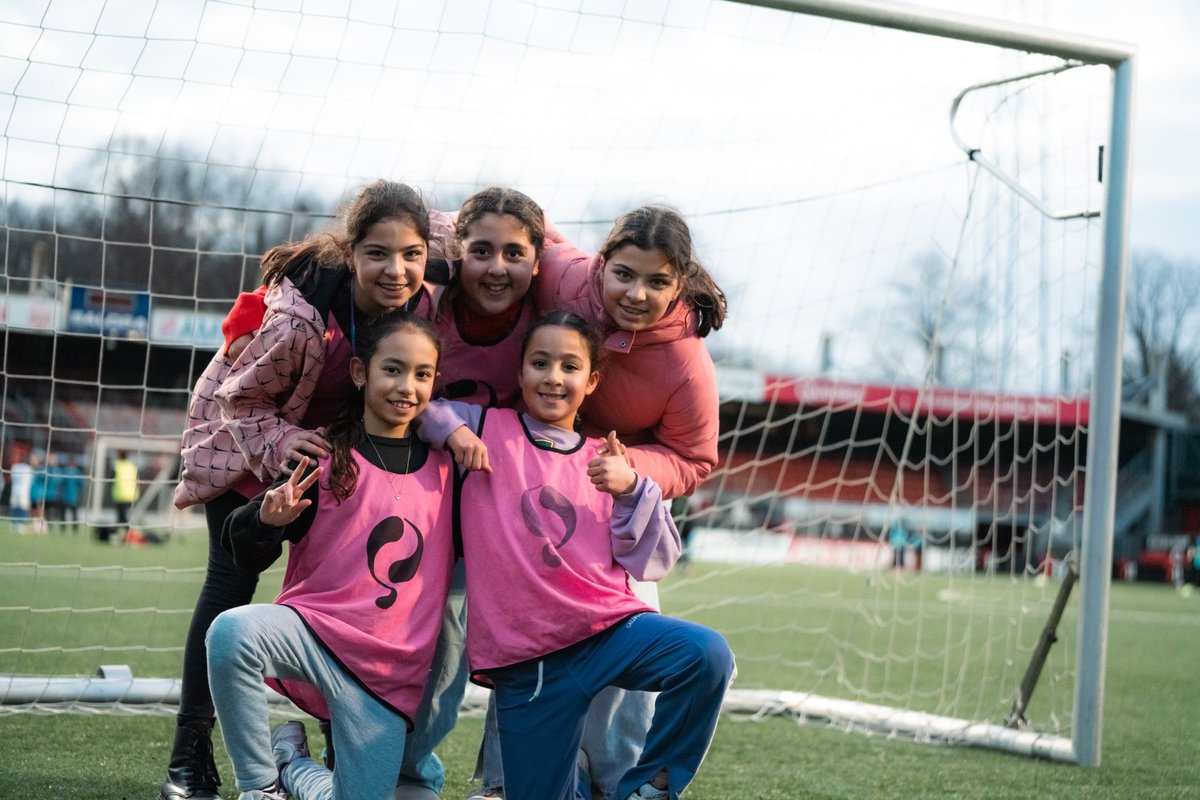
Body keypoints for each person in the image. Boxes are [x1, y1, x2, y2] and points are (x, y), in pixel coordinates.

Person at [160, 179, 438, 800]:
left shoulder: (420, 287)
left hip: (321, 439)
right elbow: (240, 399)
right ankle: (189, 757)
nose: (396, 270)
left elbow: (481, 227)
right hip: (244, 439)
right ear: (351, 251)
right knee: (232, 580)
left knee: (344, 586)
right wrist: (282, 441)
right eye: (377, 255)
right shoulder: (299, 321)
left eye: (411, 255)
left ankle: (339, 729)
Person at [429, 310, 734, 800]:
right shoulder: (486, 428)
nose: (554, 378)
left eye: (570, 367)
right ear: (520, 372)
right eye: (540, 363)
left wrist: (633, 487)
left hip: (609, 634)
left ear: (592, 381)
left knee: (706, 655)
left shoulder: (608, 460)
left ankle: (653, 785)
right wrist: (452, 430)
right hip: (527, 662)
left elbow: (652, 562)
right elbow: (423, 406)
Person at [207, 311, 457, 800]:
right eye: (392, 369)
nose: (406, 385)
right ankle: (259, 787)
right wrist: (265, 521)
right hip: (314, 634)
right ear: (361, 373)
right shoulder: (322, 456)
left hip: (386, 676)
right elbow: (243, 547)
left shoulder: (453, 470)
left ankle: (293, 766)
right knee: (231, 633)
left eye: (422, 374)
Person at [59, 454, 86, 532]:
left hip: (65, 497)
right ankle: (75, 529)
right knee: (73, 514)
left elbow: (60, 483)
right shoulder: (77, 472)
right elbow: (81, 484)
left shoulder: (64, 471)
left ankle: (63, 529)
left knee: (64, 514)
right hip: (73, 497)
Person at [8, 452, 33, 534]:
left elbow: (11, 478)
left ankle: (14, 525)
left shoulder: (15, 467)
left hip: (15, 490)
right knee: (22, 508)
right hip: (24, 491)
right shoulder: (29, 468)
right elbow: (30, 481)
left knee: (15, 508)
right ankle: (21, 525)